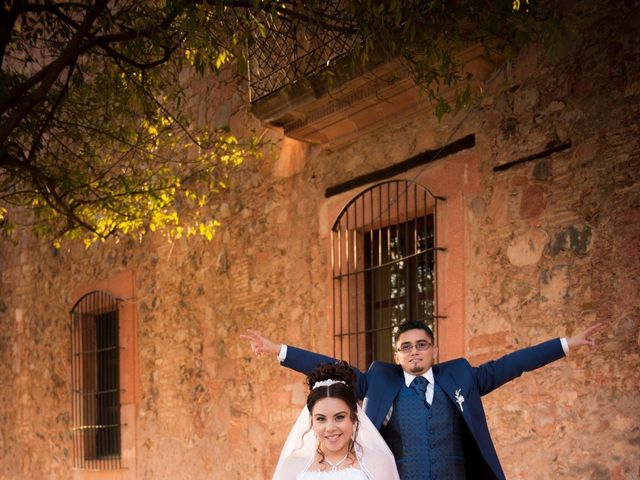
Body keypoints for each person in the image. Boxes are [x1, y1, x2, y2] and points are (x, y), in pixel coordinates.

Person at [244, 320, 603, 480]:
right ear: (397, 355)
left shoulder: (462, 375)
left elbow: (512, 364)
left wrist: (565, 345)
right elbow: (329, 366)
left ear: (434, 349)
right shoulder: (379, 379)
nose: (414, 352)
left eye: (421, 345)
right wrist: (279, 350)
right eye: (406, 347)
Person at [272, 361, 400, 480]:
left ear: (354, 416)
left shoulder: (378, 463)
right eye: (321, 419)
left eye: (339, 417)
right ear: (311, 420)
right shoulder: (292, 467)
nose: (330, 428)